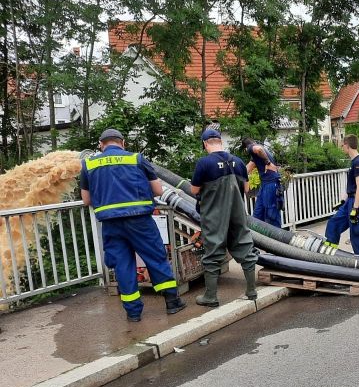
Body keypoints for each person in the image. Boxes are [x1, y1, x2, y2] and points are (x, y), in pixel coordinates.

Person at [80, 128, 186, 322]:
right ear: (122, 143)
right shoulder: (136, 158)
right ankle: (172, 302)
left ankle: (133, 313)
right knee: (155, 257)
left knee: (122, 264)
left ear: (101, 145)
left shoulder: (88, 164)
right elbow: (157, 189)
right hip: (140, 220)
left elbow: (86, 200)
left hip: (111, 223)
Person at [190, 128, 259, 307]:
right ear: (220, 141)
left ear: (205, 144)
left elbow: (194, 190)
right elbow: (246, 189)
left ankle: (211, 297)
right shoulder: (237, 161)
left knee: (213, 252)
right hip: (237, 213)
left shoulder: (204, 163)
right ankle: (251, 291)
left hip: (214, 215)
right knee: (245, 247)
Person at [324, 134, 359, 255]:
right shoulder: (354, 162)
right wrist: (342, 201)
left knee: (356, 231)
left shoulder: (358, 163)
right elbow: (351, 187)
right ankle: (329, 253)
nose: (341, 147)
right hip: (349, 201)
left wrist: (355, 208)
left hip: (356, 202)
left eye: (342, 145)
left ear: (347, 145)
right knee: (334, 223)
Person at [242, 137, 283, 228]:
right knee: (258, 214)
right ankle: (258, 240)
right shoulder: (256, 157)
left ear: (245, 148)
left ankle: (277, 239)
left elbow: (258, 149)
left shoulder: (252, 147)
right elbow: (246, 169)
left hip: (271, 184)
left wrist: (268, 163)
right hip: (264, 185)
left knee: (271, 215)